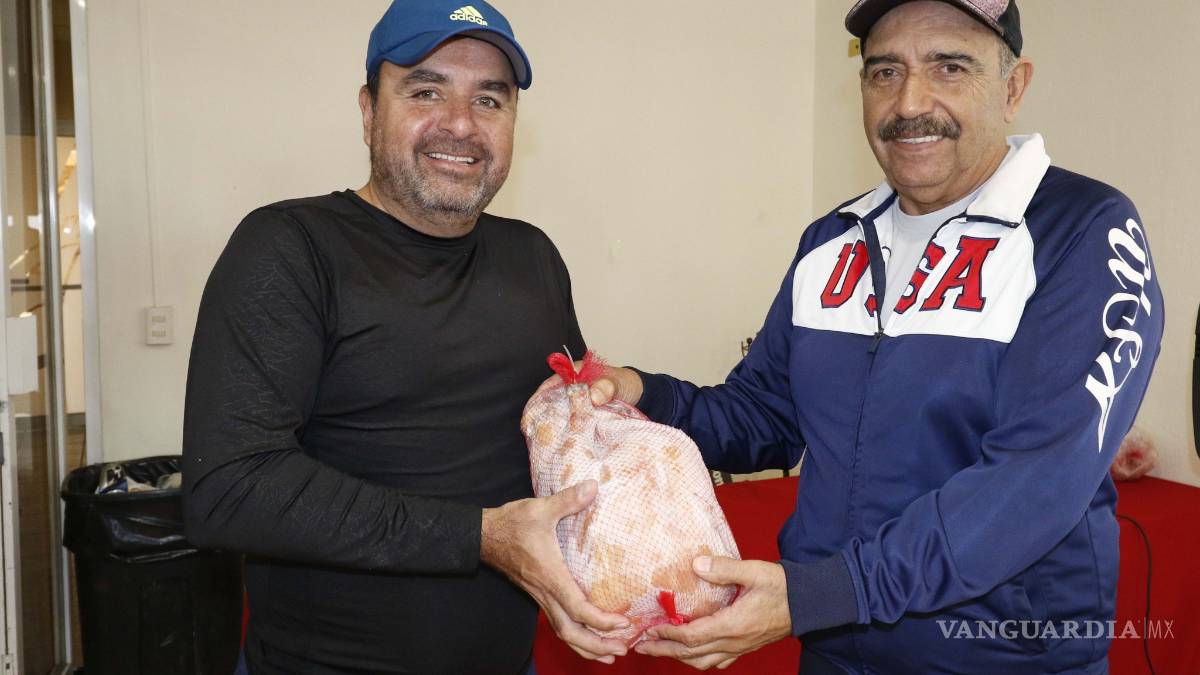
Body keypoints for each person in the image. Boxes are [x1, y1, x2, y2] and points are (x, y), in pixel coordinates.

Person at [585, 1, 1164, 672]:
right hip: (834, 649)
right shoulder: (831, 239)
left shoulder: (1084, 231)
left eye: (950, 67)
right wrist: (646, 396)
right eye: (885, 71)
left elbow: (1031, 482)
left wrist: (826, 592)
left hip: (1000, 659)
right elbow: (766, 414)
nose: (910, 102)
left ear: (1013, 87)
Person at [181, 1, 630, 673]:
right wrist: (480, 536)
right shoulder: (290, 248)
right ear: (369, 110)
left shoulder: (533, 256)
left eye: (489, 99)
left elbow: (565, 438)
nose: (461, 123)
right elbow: (229, 489)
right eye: (426, 91)